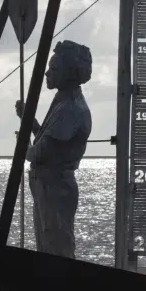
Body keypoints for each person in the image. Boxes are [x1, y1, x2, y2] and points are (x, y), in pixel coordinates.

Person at [14, 40, 93, 258]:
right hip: (47, 188)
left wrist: (23, 144)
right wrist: (29, 122)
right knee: (47, 246)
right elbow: (49, 143)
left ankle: (60, 288)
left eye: (54, 69)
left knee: (57, 247)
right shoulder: (62, 102)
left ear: (68, 73)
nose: (47, 73)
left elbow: (39, 154)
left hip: (55, 189)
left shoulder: (70, 109)